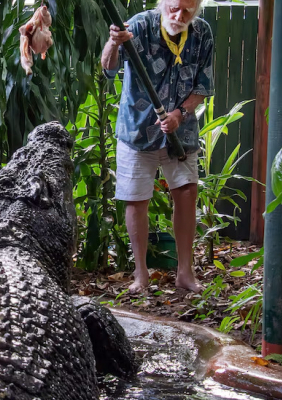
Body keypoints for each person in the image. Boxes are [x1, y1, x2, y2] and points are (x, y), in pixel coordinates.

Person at [101, 0, 214, 293]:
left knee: (187, 192)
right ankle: (140, 275)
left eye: (187, 10)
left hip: (181, 131)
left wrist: (180, 113)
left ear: (197, 9)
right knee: (136, 198)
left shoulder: (202, 34)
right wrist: (114, 43)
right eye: (174, 8)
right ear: (163, 4)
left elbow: (202, 86)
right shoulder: (138, 26)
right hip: (137, 130)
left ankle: (185, 273)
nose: (179, 15)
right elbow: (108, 69)